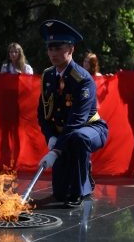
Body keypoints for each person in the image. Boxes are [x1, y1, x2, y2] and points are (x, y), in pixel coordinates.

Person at [37, 20, 108, 207]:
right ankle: (81, 170)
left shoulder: (82, 79)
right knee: (59, 193)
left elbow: (76, 120)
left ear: (71, 50)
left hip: (89, 129)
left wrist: (56, 150)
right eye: (50, 49)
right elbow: (42, 113)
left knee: (77, 138)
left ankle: (79, 191)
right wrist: (51, 137)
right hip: (63, 133)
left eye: (58, 49)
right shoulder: (48, 77)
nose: (53, 54)